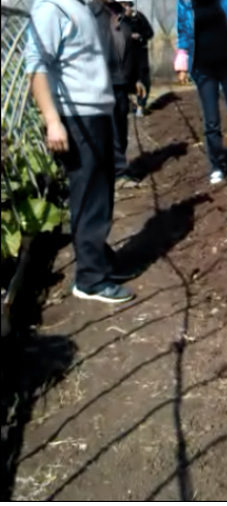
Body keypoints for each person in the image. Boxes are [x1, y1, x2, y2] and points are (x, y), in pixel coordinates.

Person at [25, 0, 136, 304]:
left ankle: (99, 259)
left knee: (101, 193)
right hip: (77, 118)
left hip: (95, 113)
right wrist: (52, 121)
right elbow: (35, 65)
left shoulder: (81, 7)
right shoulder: (51, 8)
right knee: (88, 195)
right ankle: (90, 278)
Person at [175, 0, 227, 187]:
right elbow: (183, 31)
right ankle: (217, 166)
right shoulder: (185, 3)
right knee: (211, 122)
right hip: (203, 68)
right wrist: (182, 60)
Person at [105, 0, 152, 183]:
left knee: (121, 123)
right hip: (104, 80)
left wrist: (138, 78)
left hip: (122, 79)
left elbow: (135, 50)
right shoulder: (94, 15)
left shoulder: (125, 18)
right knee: (111, 126)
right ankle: (117, 170)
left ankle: (120, 166)